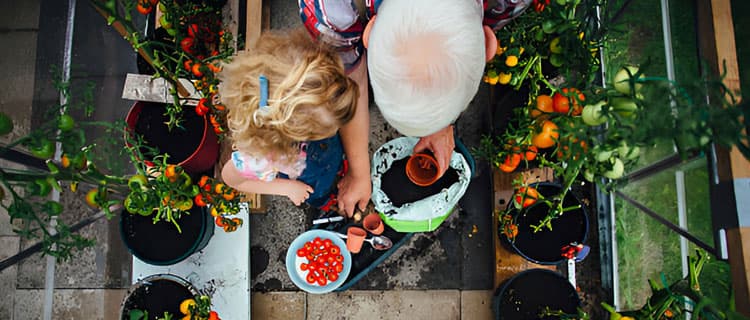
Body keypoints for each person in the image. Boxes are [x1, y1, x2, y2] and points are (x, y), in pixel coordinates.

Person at [299, 0, 532, 217]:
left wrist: (442, 124)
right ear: (489, 45)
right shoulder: (330, 10)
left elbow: (456, 49)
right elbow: (350, 79)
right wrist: (359, 171)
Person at [218, 29, 360, 209]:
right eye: (326, 128)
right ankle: (325, 199)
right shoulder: (261, 156)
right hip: (309, 182)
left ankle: (339, 169)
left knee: (336, 158)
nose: (336, 129)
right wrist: (287, 188)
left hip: (330, 156)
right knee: (320, 195)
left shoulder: (315, 89)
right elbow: (232, 180)